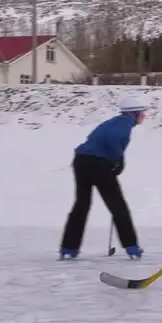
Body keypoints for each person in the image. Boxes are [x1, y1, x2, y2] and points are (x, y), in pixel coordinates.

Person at [60, 94, 148, 260]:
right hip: (98, 164)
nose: (144, 116)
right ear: (133, 114)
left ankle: (68, 248)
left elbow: (92, 138)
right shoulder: (125, 123)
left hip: (81, 161)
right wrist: (118, 159)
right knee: (117, 206)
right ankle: (131, 247)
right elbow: (113, 139)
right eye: (142, 113)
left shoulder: (112, 122)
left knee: (82, 205)